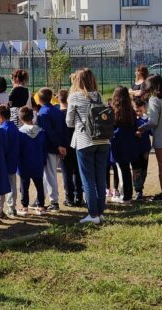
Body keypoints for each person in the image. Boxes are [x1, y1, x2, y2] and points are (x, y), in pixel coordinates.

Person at [66, 68, 111, 224]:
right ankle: (100, 212)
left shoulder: (74, 97)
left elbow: (69, 121)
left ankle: (92, 215)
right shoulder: (98, 95)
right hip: (103, 140)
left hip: (85, 141)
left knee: (88, 179)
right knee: (100, 178)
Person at [36, 88, 67, 212]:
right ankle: (41, 198)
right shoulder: (57, 110)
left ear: (39, 99)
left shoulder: (43, 113)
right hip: (57, 146)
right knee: (48, 174)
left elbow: (49, 132)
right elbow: (64, 130)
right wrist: (63, 145)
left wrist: (58, 145)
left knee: (50, 175)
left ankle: (54, 202)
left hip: (49, 147)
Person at [109, 86, 141, 203]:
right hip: (130, 143)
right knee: (126, 169)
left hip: (118, 143)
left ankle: (125, 196)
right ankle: (128, 194)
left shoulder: (113, 110)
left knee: (122, 170)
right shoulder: (131, 111)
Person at [19, 106, 47, 215]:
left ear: (21, 119)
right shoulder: (41, 132)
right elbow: (44, 148)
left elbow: (18, 149)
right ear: (32, 116)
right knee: (39, 185)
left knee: (24, 186)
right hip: (38, 162)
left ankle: (24, 207)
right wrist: (44, 160)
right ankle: (40, 206)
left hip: (24, 163)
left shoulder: (20, 132)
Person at [58, 89, 83, 207]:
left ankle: (69, 198)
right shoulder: (74, 112)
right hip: (77, 144)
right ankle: (79, 196)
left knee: (66, 173)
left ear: (59, 99)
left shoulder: (58, 114)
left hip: (64, 146)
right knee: (77, 171)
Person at [0, 105, 22, 216]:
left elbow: (3, 147)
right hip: (13, 160)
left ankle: (0, 209)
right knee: (12, 185)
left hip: (4, 161)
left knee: (2, 186)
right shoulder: (14, 127)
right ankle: (12, 208)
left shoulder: (3, 129)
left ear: (0, 116)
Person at [132, 99, 151, 201]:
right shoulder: (132, 120)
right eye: (136, 111)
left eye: (140, 110)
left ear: (144, 109)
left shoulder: (147, 120)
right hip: (134, 149)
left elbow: (152, 132)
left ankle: (141, 187)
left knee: (144, 170)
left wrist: (147, 127)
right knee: (136, 170)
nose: (138, 113)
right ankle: (138, 190)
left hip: (145, 149)